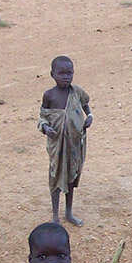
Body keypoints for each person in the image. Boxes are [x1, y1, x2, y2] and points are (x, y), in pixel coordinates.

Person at [38, 56, 92, 226]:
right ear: (52, 74)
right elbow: (42, 118)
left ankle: (68, 213)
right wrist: (46, 129)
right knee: (55, 177)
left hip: (75, 144)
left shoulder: (77, 92)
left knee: (71, 177)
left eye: (69, 73)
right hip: (57, 146)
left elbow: (86, 105)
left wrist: (90, 116)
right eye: (61, 73)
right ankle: (55, 216)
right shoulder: (49, 96)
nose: (65, 77)